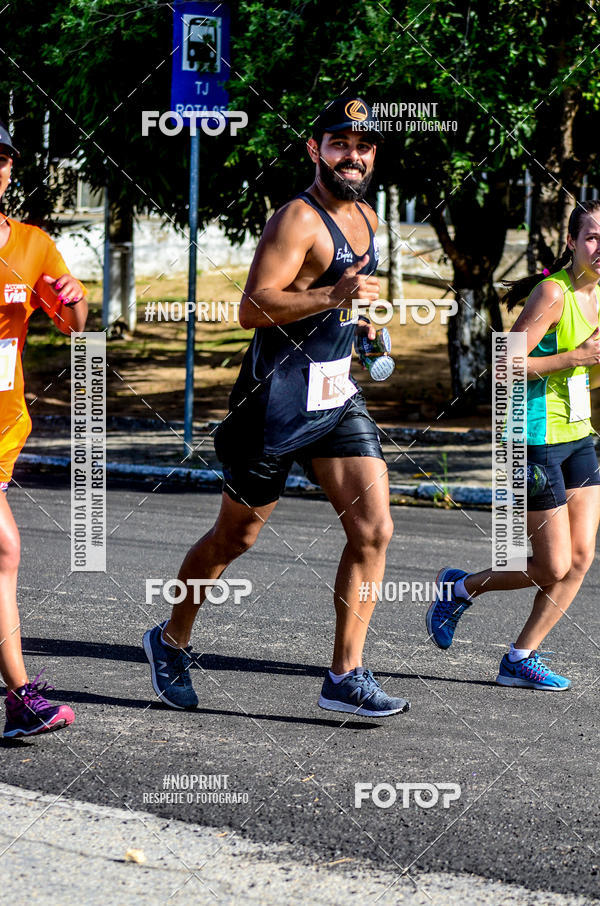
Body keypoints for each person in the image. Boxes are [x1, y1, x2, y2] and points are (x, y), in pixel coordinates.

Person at [143, 97, 410, 718]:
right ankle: (170, 639)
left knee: (374, 530)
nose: (353, 155)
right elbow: (253, 307)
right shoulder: (296, 219)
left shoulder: (368, 217)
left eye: (364, 146)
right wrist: (333, 295)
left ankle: (345, 675)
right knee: (235, 537)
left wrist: (364, 324)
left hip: (335, 396)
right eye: (340, 143)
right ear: (316, 149)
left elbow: (346, 300)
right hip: (273, 404)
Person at [427, 199, 600, 690]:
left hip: (578, 436)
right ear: (571, 241)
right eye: (592, 236)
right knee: (552, 564)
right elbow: (504, 365)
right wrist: (575, 356)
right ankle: (460, 588)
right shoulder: (553, 293)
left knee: (580, 559)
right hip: (533, 440)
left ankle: (520, 657)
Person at [0, 121, 88, 737]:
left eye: (2, 159)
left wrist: (74, 297)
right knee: (3, 550)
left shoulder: (32, 244)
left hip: (5, 429)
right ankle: (20, 697)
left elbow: (75, 326)